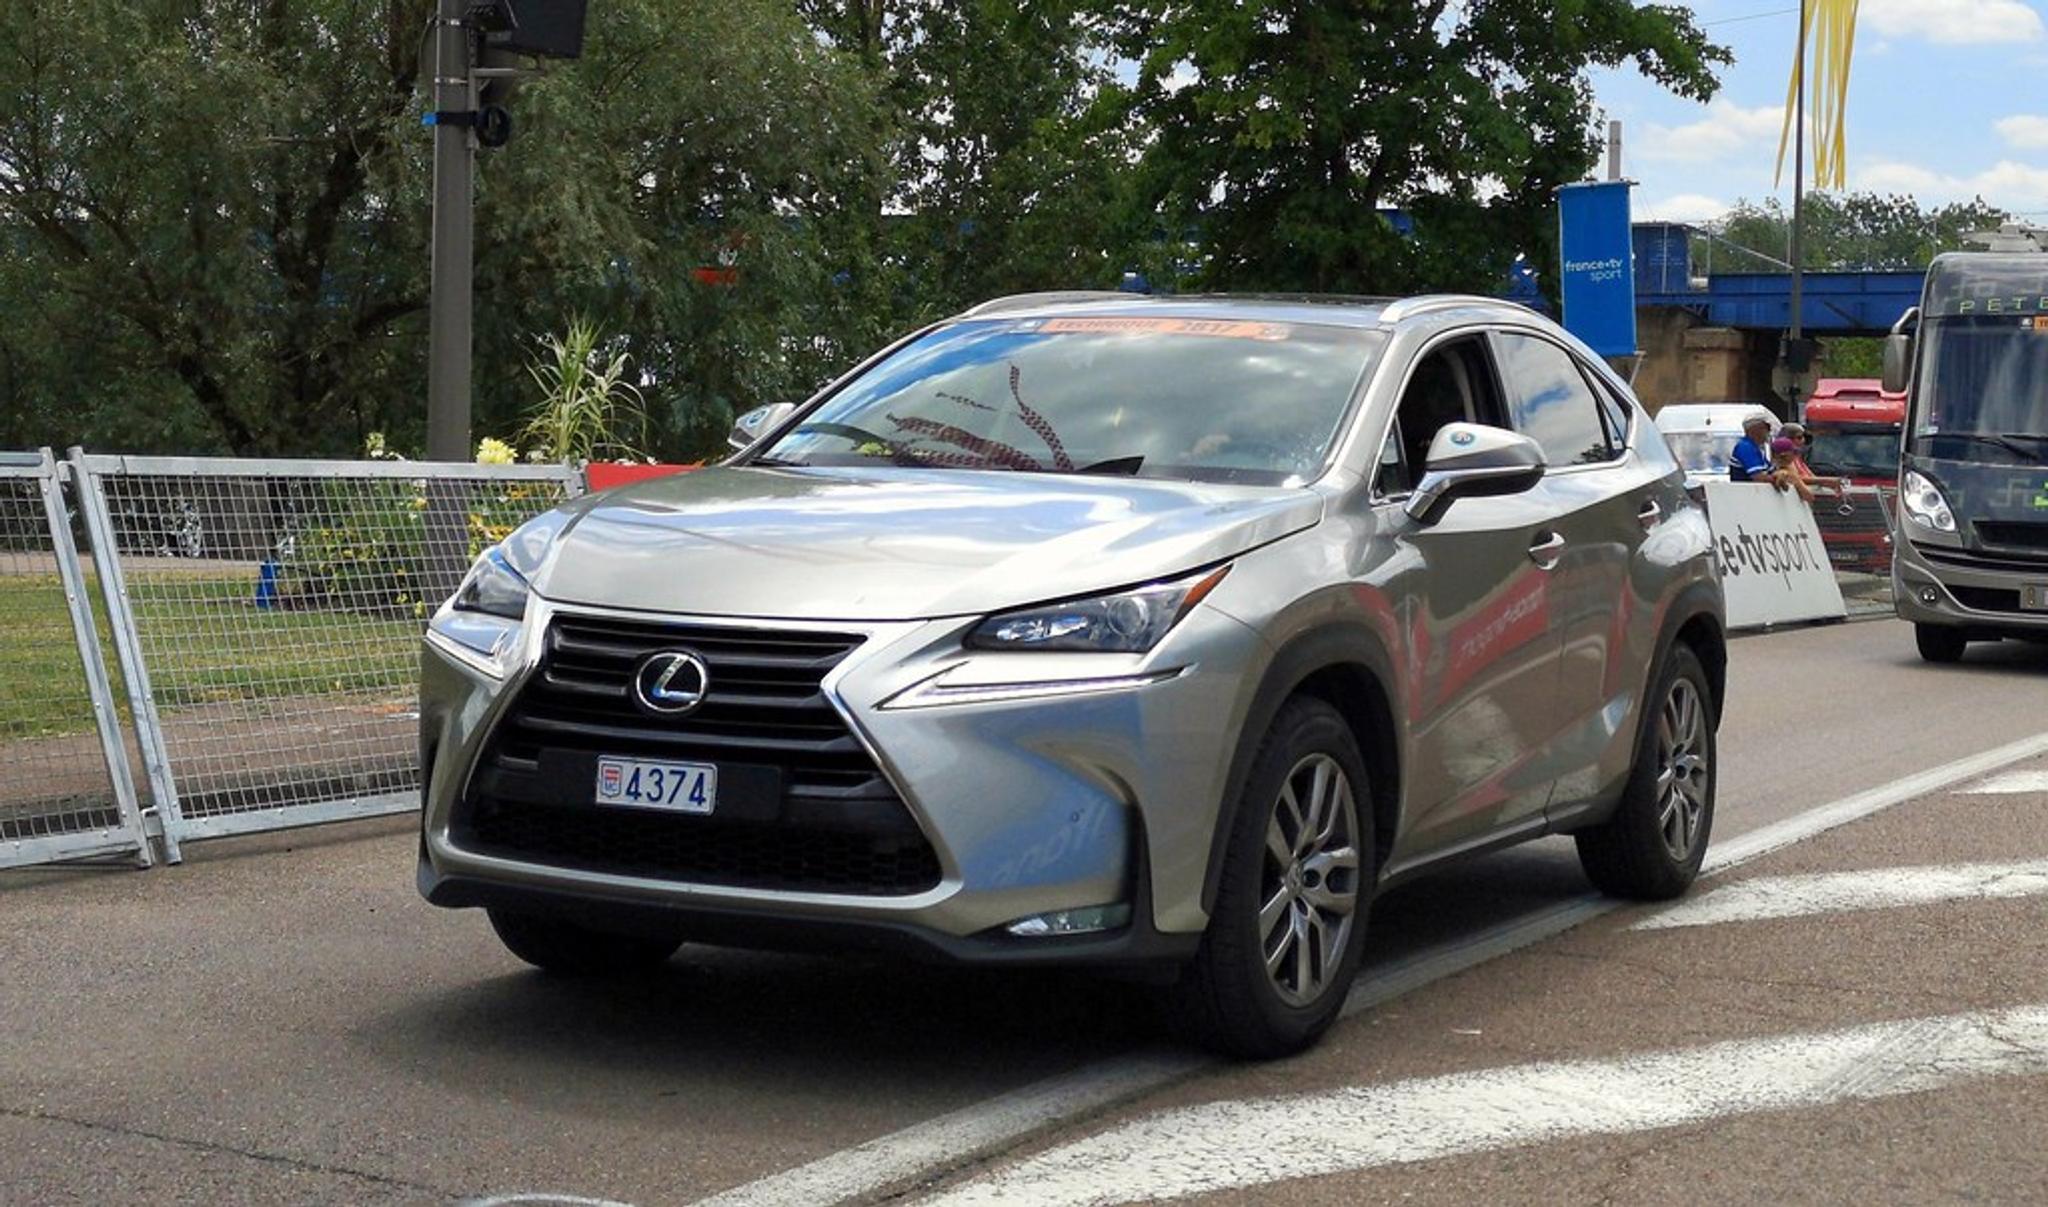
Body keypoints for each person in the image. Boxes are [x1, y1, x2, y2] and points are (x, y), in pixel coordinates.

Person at [1777, 421, 1845, 497]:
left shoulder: (1798, 458)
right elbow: (1796, 478)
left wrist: (1829, 483)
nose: (1803, 441)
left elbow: (1811, 477)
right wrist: (1827, 480)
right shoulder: (1786, 458)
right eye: (1799, 437)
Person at [1728, 415, 1774, 483]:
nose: (1769, 431)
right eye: (1767, 427)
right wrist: (1778, 480)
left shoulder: (1756, 448)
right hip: (1745, 492)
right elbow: (1758, 477)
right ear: (1754, 429)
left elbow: (1772, 471)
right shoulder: (1745, 447)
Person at [1769, 436, 1816, 503]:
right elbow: (1808, 496)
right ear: (1784, 455)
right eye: (1794, 452)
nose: (1795, 456)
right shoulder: (1786, 473)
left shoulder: (1789, 469)